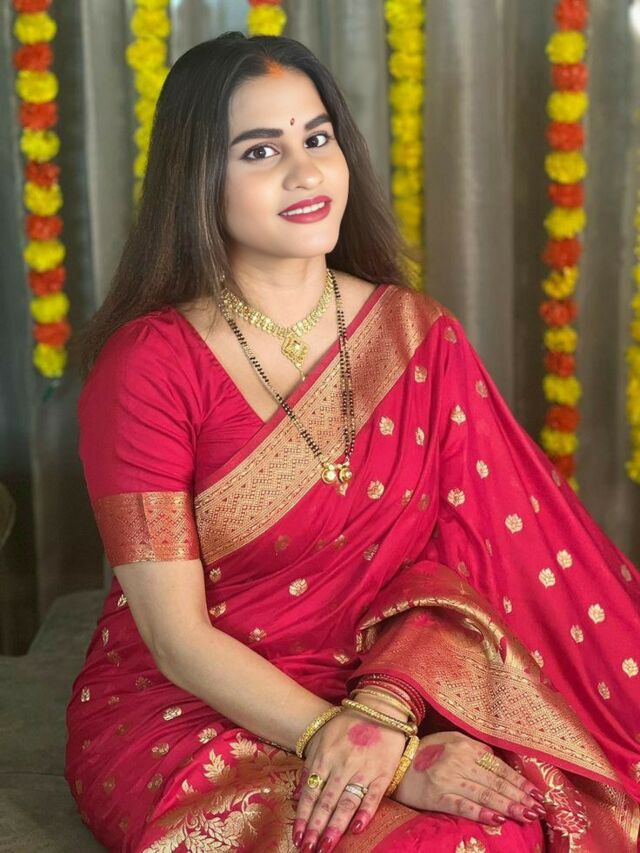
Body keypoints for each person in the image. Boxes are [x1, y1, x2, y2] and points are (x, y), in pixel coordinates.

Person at [64, 32, 640, 853]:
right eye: (261, 150)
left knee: (520, 821)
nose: (305, 172)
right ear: (197, 178)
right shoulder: (149, 367)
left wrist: (387, 709)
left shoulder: (416, 336)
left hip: (389, 684)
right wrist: (381, 755)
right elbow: (173, 637)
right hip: (194, 710)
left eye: (317, 137)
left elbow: (461, 559)